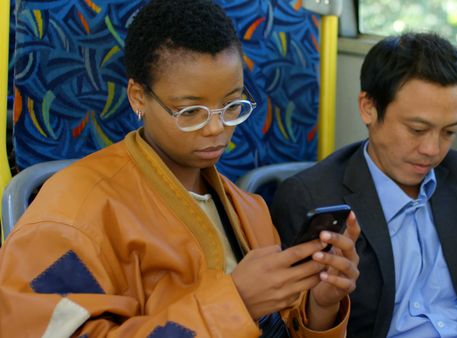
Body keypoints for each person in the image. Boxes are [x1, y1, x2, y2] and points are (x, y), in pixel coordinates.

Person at [0, 1, 360, 337]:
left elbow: (281, 324)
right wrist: (236, 302)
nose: (217, 129)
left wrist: (320, 305)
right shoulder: (71, 216)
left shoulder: (249, 210)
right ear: (138, 97)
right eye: (191, 113)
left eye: (232, 106)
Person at [271, 32, 457, 337]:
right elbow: (299, 326)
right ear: (368, 108)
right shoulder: (312, 197)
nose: (432, 149)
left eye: (449, 132)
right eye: (417, 129)